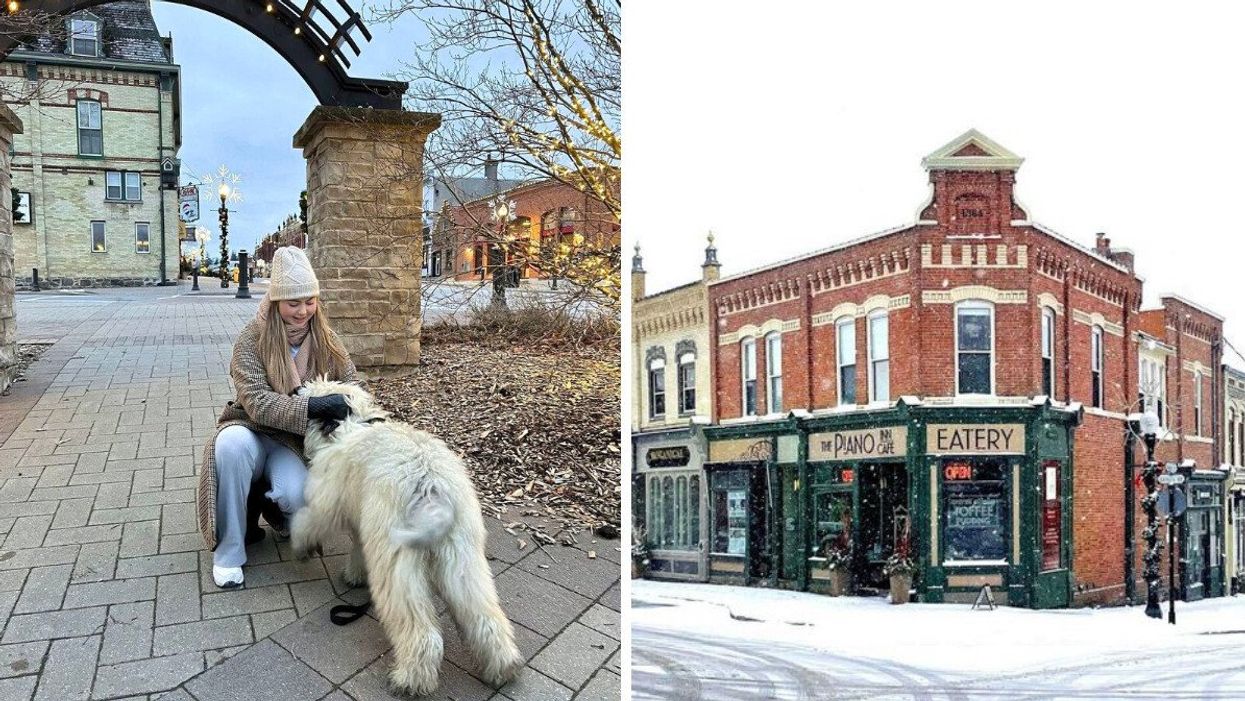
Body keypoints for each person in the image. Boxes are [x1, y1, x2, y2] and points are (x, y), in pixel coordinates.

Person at [195, 246, 358, 588]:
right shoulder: (251, 338)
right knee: (229, 447)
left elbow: (353, 381)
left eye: (309, 301)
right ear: (276, 301)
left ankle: (274, 509)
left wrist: (347, 405)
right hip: (249, 429)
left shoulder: (326, 338)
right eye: (293, 303)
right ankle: (229, 551)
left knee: (299, 499)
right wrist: (313, 407)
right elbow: (256, 402)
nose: (303, 312)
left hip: (291, 441)